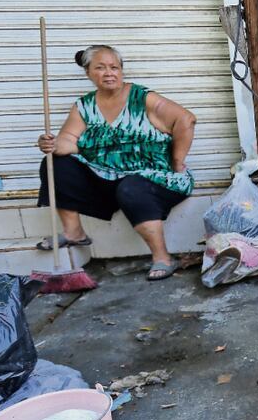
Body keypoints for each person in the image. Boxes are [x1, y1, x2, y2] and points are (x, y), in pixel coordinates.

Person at [35, 45, 197, 280]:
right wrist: (51, 144)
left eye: (114, 67)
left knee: (131, 187)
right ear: (88, 72)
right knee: (56, 162)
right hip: (107, 176)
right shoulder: (84, 106)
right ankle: (74, 233)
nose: (109, 73)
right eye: (100, 68)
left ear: (121, 71)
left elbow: (186, 119)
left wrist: (177, 160)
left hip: (156, 176)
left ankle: (162, 258)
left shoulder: (142, 98)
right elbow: (69, 141)